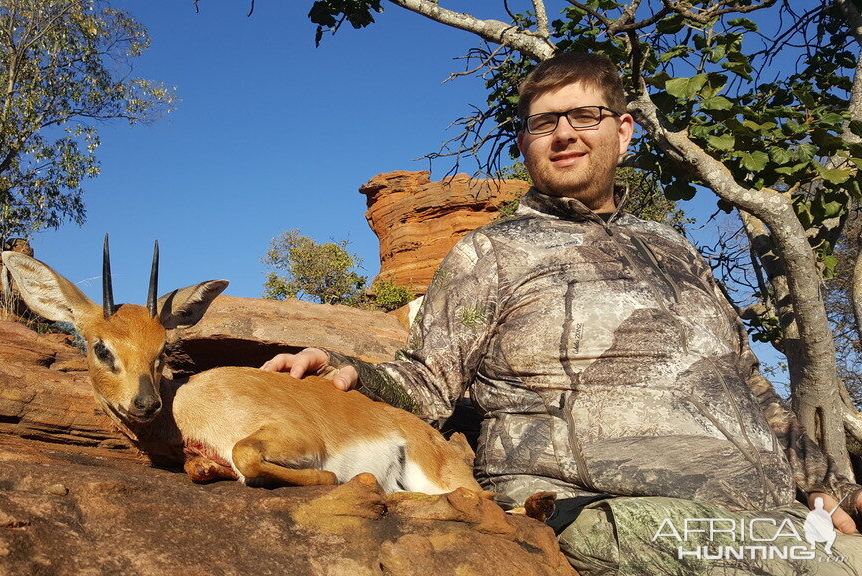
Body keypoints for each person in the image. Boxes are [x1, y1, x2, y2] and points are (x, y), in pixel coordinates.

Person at [261, 52, 862, 574]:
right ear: (525, 144)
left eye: (585, 117)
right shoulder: (490, 253)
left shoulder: (674, 247)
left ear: (624, 131)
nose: (564, 134)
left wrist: (827, 488)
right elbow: (429, 379)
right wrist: (346, 372)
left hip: (767, 512)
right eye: (544, 123)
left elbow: (748, 381)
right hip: (603, 505)